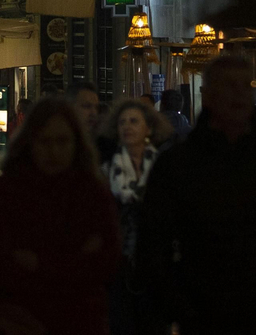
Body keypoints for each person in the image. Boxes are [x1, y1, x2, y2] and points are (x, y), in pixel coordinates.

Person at [138, 55, 256, 334]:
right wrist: (182, 309)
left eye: (246, 84)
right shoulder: (180, 163)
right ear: (209, 94)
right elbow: (154, 245)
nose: (239, 93)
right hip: (207, 315)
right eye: (229, 85)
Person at [0, 97, 122, 335]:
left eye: (62, 141)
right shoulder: (7, 192)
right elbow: (0, 261)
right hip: (21, 321)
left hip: (79, 321)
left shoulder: (91, 192)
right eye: (45, 141)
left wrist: (38, 263)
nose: (54, 151)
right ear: (30, 143)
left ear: (75, 142)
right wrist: (75, 260)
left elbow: (106, 260)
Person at [100, 98, 173, 335]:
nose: (127, 127)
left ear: (148, 129)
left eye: (133, 121)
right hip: (117, 269)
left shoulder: (163, 170)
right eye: (122, 122)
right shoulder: (106, 171)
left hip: (155, 269)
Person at [72, 78, 118, 161]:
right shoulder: (59, 145)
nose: (93, 112)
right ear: (70, 107)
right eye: (86, 106)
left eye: (96, 107)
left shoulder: (105, 147)